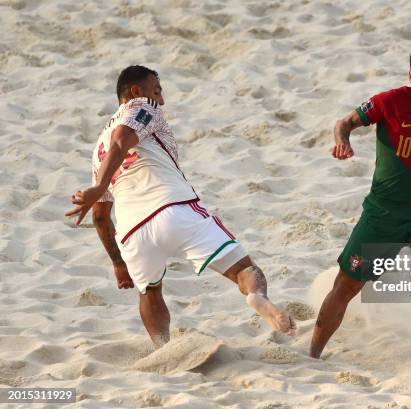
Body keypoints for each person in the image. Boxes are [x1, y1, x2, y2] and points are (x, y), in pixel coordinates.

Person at [66, 65, 295, 347]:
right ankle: (257, 297)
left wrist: (117, 262)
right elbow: (122, 140)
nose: (160, 100)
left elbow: (100, 217)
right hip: (172, 208)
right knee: (245, 271)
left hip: (131, 232)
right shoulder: (143, 106)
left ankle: (163, 348)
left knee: (149, 292)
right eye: (157, 91)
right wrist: (100, 188)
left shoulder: (97, 148)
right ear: (136, 91)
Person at [310, 44, 411, 358]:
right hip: (381, 215)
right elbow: (344, 123)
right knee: (345, 288)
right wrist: (343, 143)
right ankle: (311, 355)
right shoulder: (389, 102)